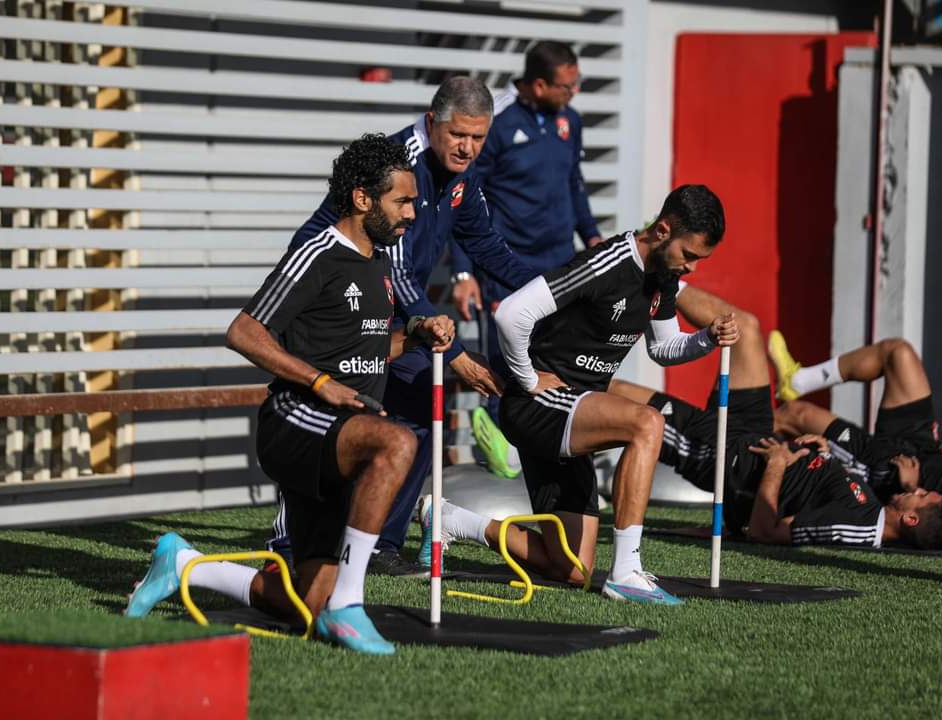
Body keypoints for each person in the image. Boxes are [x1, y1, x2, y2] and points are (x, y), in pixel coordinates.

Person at [124, 134, 455, 655]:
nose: (412, 214)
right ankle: (350, 604)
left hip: (339, 432)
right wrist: (319, 383)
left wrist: (416, 335)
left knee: (305, 603)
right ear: (362, 199)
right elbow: (243, 332)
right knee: (397, 442)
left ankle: (184, 565)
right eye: (403, 202)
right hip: (294, 418)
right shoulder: (317, 254)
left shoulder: (380, 262)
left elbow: (366, 351)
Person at [267, 76, 538, 576]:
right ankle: (287, 541)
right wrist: (456, 355)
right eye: (458, 135)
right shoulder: (399, 165)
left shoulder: (462, 175)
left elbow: (486, 244)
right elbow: (398, 270)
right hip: (333, 302)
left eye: (478, 137)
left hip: (394, 313)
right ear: (432, 123)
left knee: (419, 411)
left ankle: (379, 545)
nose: (468, 147)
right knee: (324, 417)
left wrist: (549, 293)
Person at [468, 184, 732, 604]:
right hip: (537, 405)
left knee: (573, 569)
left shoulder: (664, 277)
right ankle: (626, 573)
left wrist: (706, 338)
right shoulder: (607, 262)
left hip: (574, 411)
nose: (692, 268)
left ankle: (448, 521)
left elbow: (664, 348)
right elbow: (513, 314)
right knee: (647, 423)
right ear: (663, 229)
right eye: (689, 255)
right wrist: (528, 379)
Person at [607, 287, 942, 550]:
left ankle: (570, 377)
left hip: (731, 459)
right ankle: (663, 280)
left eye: (923, 495)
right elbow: (817, 490)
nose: (919, 490)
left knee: (616, 394)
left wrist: (776, 464)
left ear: (911, 518)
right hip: (759, 437)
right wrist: (826, 453)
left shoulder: (860, 527)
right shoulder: (873, 511)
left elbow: (764, 532)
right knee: (744, 327)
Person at [449, 41, 603, 478]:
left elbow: (574, 184)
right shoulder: (497, 122)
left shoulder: (569, 121)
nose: (573, 93)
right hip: (505, 266)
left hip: (559, 265)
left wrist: (592, 236)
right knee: (507, 364)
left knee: (558, 360)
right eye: (566, 86)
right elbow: (463, 197)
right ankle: (505, 462)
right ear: (538, 84)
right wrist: (463, 272)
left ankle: (551, 454)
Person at [769, 332, 942, 502]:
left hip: (894, 474)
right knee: (897, 353)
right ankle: (797, 381)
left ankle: (749, 440)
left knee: (794, 414)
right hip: (927, 447)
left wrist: (912, 487)